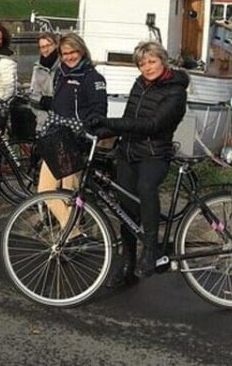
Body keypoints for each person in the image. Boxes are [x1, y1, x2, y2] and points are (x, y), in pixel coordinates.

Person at [89, 41, 188, 286]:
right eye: (142, 64)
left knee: (146, 188)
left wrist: (109, 122)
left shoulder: (176, 91)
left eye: (151, 61)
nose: (147, 67)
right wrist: (99, 130)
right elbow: (128, 119)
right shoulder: (139, 84)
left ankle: (151, 250)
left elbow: (153, 125)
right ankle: (127, 262)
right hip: (128, 152)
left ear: (163, 62)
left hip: (155, 153)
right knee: (126, 211)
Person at [36, 33, 107, 226]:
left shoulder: (93, 78)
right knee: (45, 191)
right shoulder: (61, 73)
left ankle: (69, 236)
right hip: (55, 139)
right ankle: (73, 233)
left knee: (70, 193)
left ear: (82, 51)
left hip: (74, 141)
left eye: (73, 52)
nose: (69, 57)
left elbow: (99, 112)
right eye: (65, 53)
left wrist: (84, 128)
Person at [28, 32, 60, 127]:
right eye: (42, 47)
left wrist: (55, 102)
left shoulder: (63, 65)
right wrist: (42, 100)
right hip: (42, 119)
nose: (45, 50)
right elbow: (32, 94)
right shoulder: (37, 67)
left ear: (55, 45)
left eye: (48, 45)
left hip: (61, 117)